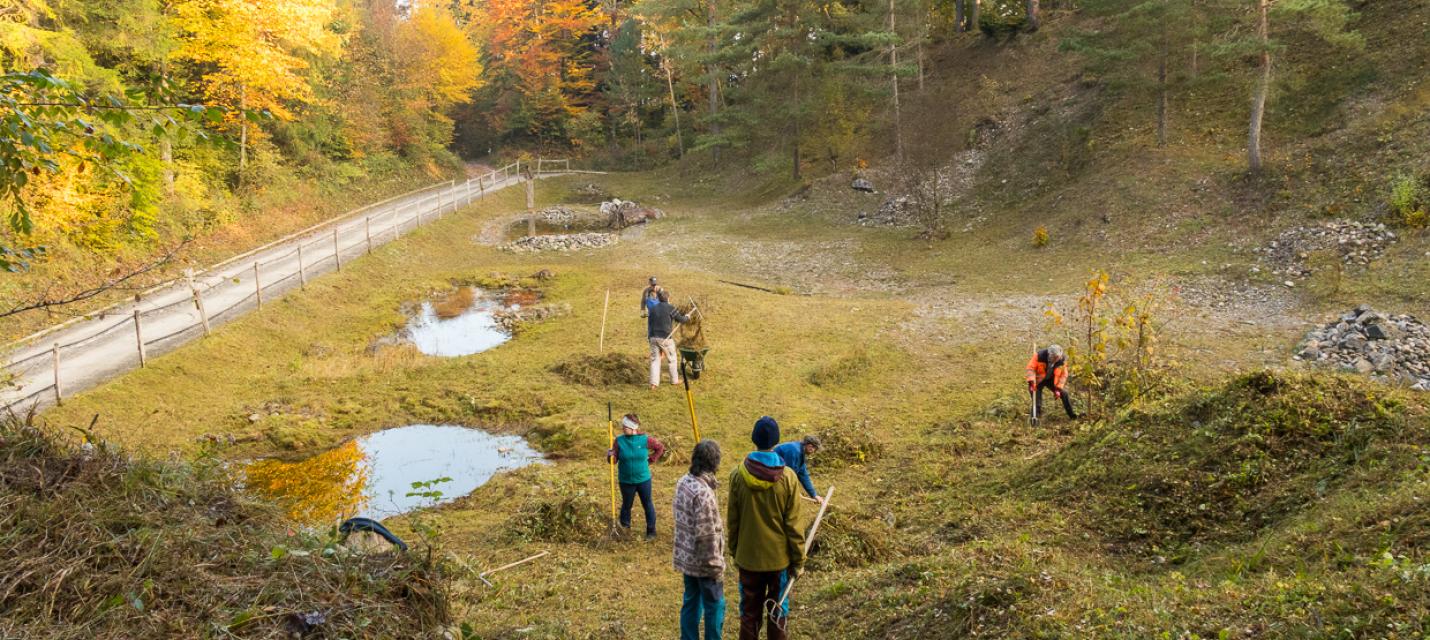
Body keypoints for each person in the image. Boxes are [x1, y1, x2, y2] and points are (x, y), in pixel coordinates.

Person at [728, 416, 804, 640]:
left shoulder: (737, 476)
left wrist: (735, 550)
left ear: (754, 439)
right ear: (776, 440)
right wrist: (798, 560)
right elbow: (794, 525)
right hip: (778, 561)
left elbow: (733, 520)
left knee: (749, 613)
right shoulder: (789, 478)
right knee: (777, 611)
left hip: (748, 559)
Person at [674, 440, 726, 640]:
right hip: (704, 563)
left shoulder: (684, 481)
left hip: (686, 557)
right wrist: (715, 567)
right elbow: (706, 537)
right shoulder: (703, 494)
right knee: (715, 606)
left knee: (691, 602)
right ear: (714, 463)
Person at [607, 414, 667, 539]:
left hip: (643, 480)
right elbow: (613, 461)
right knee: (626, 505)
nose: (623, 429)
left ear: (633, 428)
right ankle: (625, 530)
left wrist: (651, 460)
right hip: (626, 480)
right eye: (623, 426)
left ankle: (651, 531)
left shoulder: (645, 440)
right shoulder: (619, 441)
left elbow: (660, 448)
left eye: (626, 427)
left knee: (647, 503)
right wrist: (610, 455)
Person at [647, 289, 690, 389]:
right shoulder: (671, 308)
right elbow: (681, 319)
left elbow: (649, 323)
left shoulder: (652, 309)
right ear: (668, 298)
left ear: (659, 298)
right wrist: (687, 316)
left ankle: (653, 384)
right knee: (672, 359)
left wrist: (649, 337)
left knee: (655, 361)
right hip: (666, 338)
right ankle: (674, 380)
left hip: (653, 337)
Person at [1026, 344, 1077, 423]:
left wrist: (1058, 389)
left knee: (1064, 394)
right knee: (1037, 401)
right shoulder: (1039, 356)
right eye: (1055, 357)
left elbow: (1064, 375)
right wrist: (1032, 382)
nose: (1057, 359)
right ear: (1050, 354)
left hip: (1052, 380)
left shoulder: (1062, 360)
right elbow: (1030, 369)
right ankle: (1035, 419)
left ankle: (1072, 416)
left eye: (1058, 357)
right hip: (1038, 380)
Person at [773, 436, 823, 503]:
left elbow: (803, 475)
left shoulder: (800, 453)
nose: (814, 452)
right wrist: (793, 491)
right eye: (815, 449)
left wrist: (814, 495)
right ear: (810, 446)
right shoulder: (794, 451)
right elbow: (788, 474)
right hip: (770, 474)